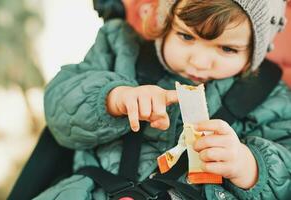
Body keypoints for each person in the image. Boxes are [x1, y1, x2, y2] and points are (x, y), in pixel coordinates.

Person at [34, 0, 291, 199]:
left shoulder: (269, 97)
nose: (199, 62)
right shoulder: (121, 48)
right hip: (93, 191)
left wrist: (248, 167)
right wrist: (113, 99)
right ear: (166, 23)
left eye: (227, 49)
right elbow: (59, 106)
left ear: (253, 53)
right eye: (186, 36)